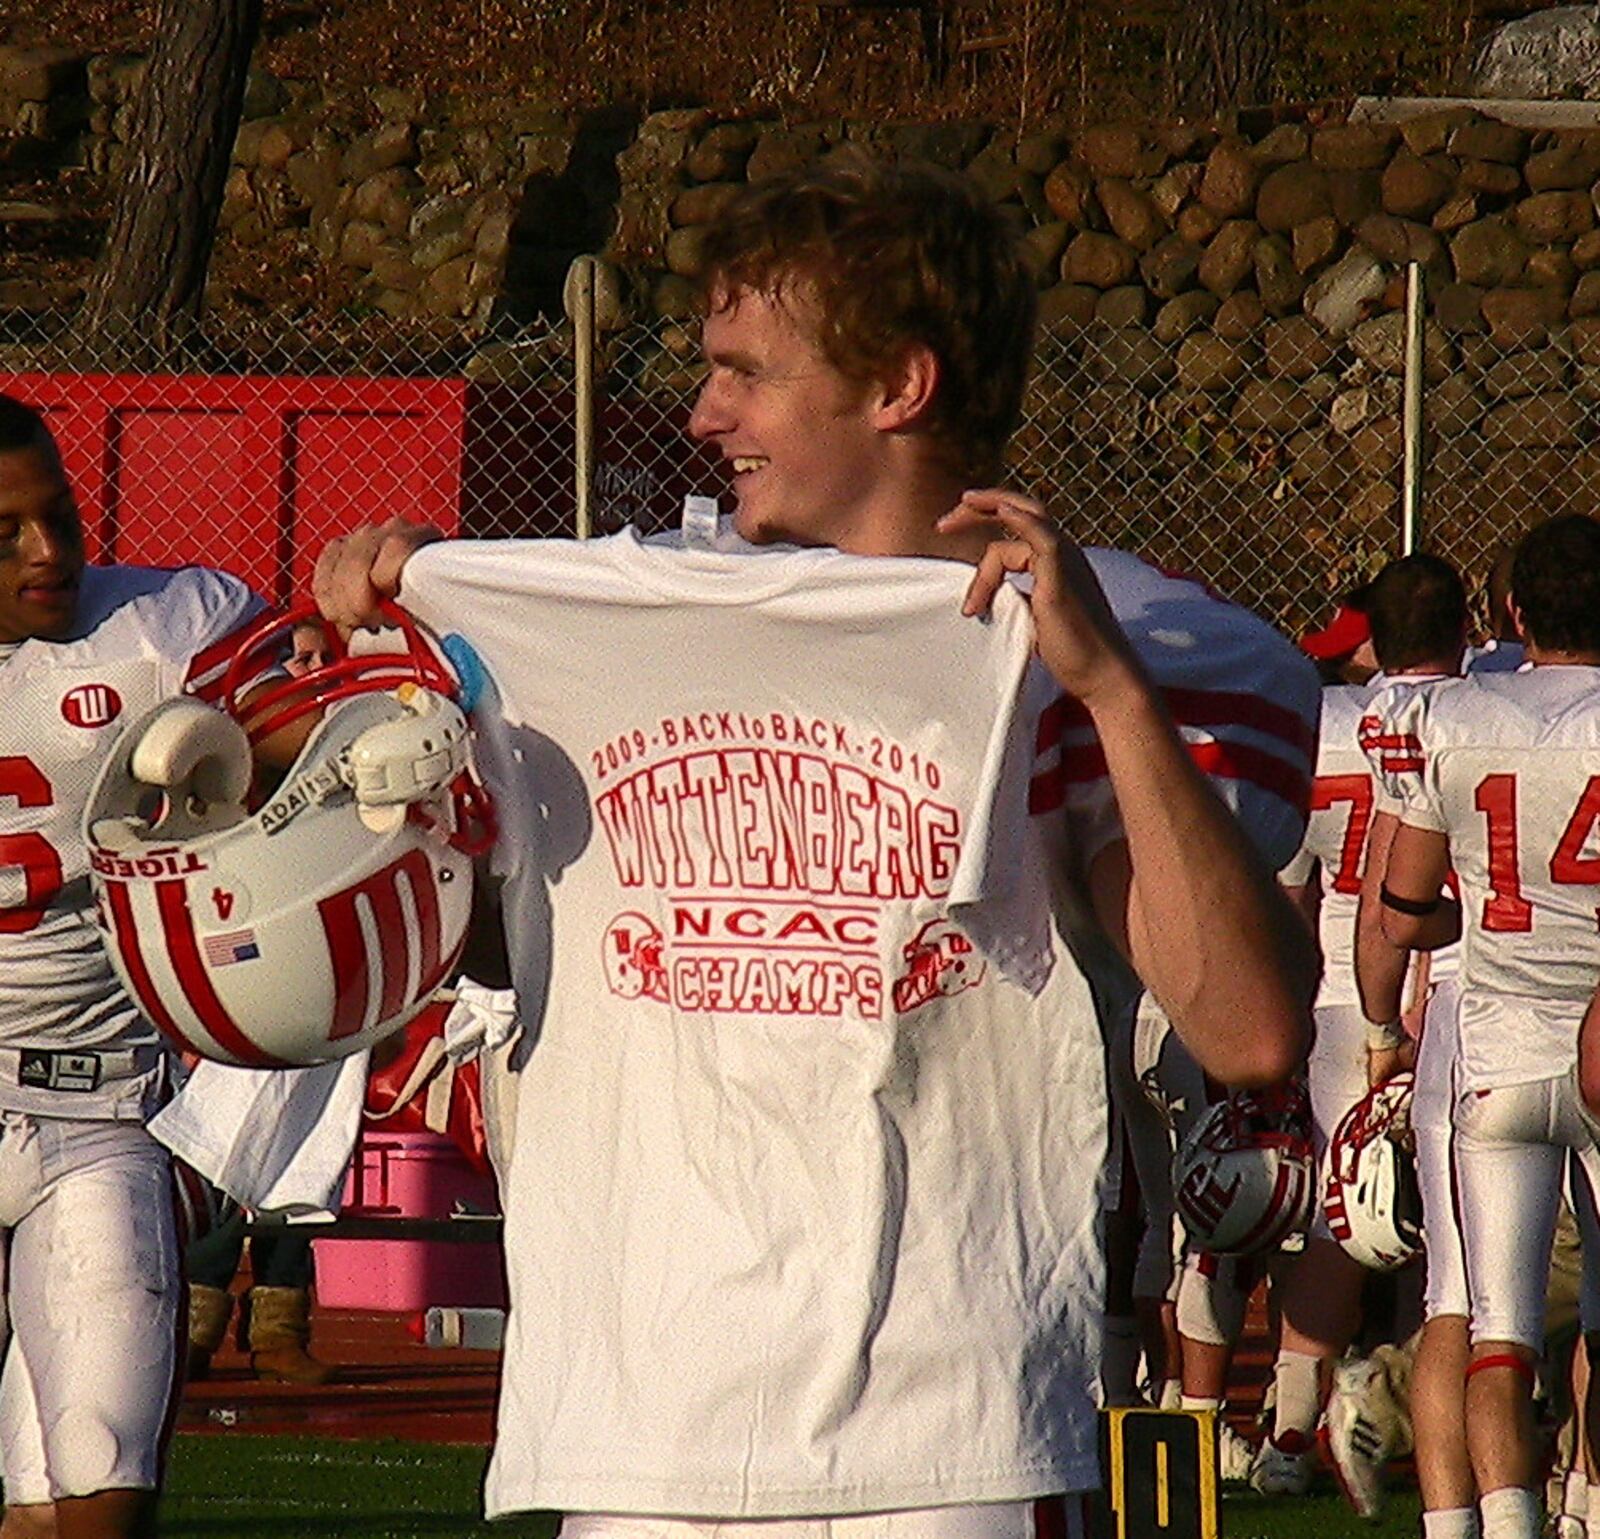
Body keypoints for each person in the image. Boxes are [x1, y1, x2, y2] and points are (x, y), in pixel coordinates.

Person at [313, 154, 1316, 1537]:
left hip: (947, 1436)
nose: (706, 411)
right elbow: (514, 946)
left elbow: (1252, 1028)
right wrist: (415, 625)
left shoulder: (1079, 635)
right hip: (642, 1430)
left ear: (898, 387)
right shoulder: (617, 618)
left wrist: (1113, 690)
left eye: (747, 372)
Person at [0, 394, 263, 1539]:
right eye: (5, 531)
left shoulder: (163, 630)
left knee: (96, 1482)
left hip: (95, 1103)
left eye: (57, 515)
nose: (51, 552)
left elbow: (309, 734)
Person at [1378, 513, 1600, 1539]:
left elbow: (1408, 900)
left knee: (1495, 1336)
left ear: (1512, 614)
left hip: (1499, 1048)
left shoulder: (1456, 716)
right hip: (1598, 1035)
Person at [1258, 553, 1469, 1500]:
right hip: (1459, 979)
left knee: (1347, 1222)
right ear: (1472, 628)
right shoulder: (1491, 707)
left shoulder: (1323, 722)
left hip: (1344, 989)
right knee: (1478, 1235)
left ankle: (1290, 1430)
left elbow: (1290, 887)